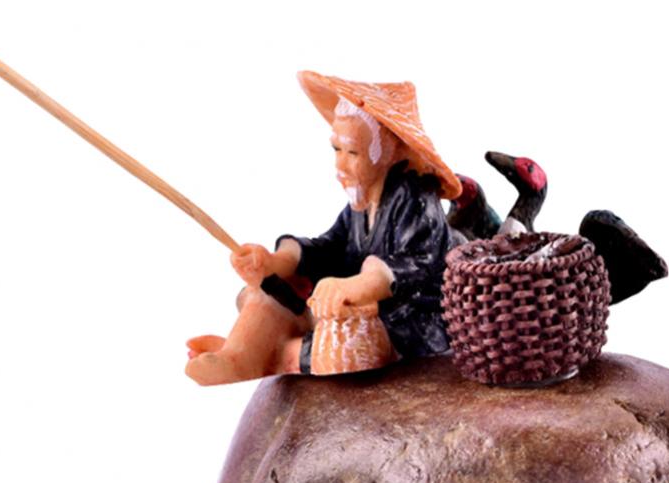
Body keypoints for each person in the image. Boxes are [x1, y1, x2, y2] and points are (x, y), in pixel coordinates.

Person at [185, 71, 462, 386]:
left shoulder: (416, 199)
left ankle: (267, 352)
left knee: (347, 345)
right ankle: (239, 354)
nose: (340, 165)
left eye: (352, 152)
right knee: (269, 290)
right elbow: (329, 248)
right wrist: (275, 262)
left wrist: (361, 284)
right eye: (336, 150)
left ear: (390, 150)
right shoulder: (360, 205)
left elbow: (418, 264)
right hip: (353, 308)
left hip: (410, 322)